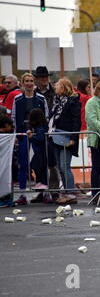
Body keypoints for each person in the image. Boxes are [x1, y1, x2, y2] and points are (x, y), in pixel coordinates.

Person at [12, 73, 49, 205]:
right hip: (23, 136)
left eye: (31, 81)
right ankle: (22, 194)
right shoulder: (17, 99)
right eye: (26, 81)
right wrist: (17, 135)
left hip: (38, 137)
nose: (29, 83)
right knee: (23, 165)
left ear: (34, 83)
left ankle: (44, 193)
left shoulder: (40, 98)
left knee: (41, 165)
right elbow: (14, 119)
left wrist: (42, 132)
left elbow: (46, 117)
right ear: (22, 83)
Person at [48, 78, 81, 204]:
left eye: (57, 86)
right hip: (55, 136)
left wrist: (73, 138)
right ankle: (66, 192)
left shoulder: (73, 101)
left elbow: (76, 121)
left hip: (67, 137)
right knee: (60, 167)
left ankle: (71, 193)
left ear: (63, 88)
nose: (55, 88)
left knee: (65, 166)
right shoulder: (57, 102)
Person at [27, 108, 52, 203]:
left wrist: (32, 136)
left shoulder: (40, 127)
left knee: (41, 172)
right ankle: (41, 193)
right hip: (40, 152)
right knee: (39, 171)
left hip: (41, 153)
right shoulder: (39, 126)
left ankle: (44, 193)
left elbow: (40, 139)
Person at [0, 115, 15, 207]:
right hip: (4, 161)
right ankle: (3, 199)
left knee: (8, 179)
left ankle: (8, 199)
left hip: (7, 161)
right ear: (6, 125)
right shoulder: (6, 135)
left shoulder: (9, 134)